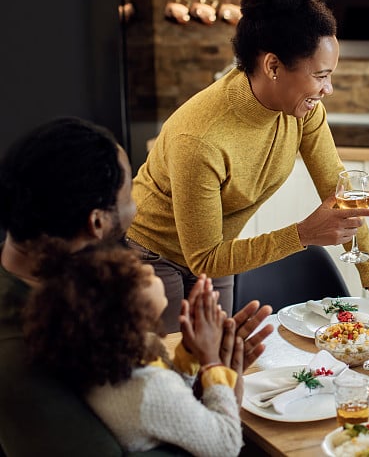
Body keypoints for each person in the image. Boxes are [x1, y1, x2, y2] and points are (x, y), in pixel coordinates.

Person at [126, 0, 369, 332]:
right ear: (273, 66)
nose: (328, 89)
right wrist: (304, 234)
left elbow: (340, 192)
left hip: (218, 252)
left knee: (224, 363)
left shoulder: (302, 112)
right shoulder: (200, 138)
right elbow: (204, 258)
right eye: (320, 76)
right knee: (173, 372)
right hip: (150, 254)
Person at [0, 117, 271, 456]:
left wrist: (201, 373)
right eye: (130, 192)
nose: (137, 206)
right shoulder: (20, 360)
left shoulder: (78, 298)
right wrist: (223, 386)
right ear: (97, 222)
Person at [24, 241, 244, 457]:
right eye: (138, 276)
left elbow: (172, 398)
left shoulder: (117, 356)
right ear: (123, 313)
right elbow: (227, 445)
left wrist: (190, 353)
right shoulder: (148, 389)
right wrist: (212, 361)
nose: (148, 267)